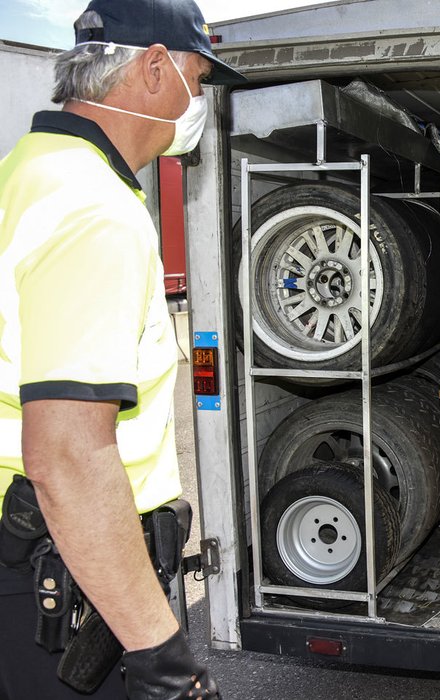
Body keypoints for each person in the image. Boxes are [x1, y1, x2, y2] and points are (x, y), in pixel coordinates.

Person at [0, 0, 244, 697]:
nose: (197, 99)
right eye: (197, 79)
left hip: (34, 558)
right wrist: (161, 653)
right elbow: (71, 454)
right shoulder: (92, 208)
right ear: (155, 67)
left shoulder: (24, 172)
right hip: (71, 582)